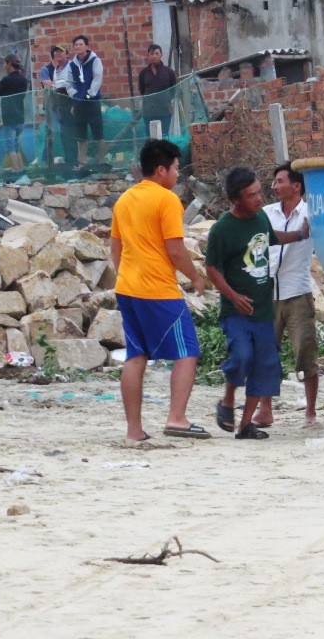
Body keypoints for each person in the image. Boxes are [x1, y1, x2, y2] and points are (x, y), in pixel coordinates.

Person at [110, 139, 210, 441]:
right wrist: (196, 277)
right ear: (161, 169)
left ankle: (134, 430)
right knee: (187, 351)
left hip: (127, 287)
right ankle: (176, 418)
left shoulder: (124, 200)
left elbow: (115, 248)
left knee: (136, 355)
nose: (178, 175)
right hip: (158, 289)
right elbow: (175, 249)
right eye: (176, 169)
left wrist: (127, 274)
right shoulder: (166, 200)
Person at [206, 167, 309, 440]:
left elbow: (273, 238)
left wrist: (300, 234)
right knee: (241, 357)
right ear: (235, 199)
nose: (259, 199)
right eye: (251, 195)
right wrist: (233, 296)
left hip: (264, 311)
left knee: (265, 366)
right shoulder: (222, 229)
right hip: (237, 312)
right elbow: (212, 269)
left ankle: (245, 425)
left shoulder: (261, 217)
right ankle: (227, 400)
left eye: (258, 192)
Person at [253, 162, 321, 428]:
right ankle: (265, 409)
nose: (274, 187)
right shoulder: (267, 213)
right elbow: (266, 239)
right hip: (267, 293)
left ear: (296, 186)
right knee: (266, 353)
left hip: (298, 292)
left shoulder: (311, 212)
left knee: (305, 351)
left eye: (280, 181)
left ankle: (311, 413)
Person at [67, 34, 104, 168]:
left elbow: (97, 79)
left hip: (92, 102)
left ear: (86, 46)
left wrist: (89, 95)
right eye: (76, 45)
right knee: (81, 135)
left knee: (98, 134)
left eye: (80, 44)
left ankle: (101, 161)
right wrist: (74, 95)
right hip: (79, 103)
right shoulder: (72, 64)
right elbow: (69, 83)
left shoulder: (95, 61)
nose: (78, 47)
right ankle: (82, 162)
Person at [0, 54, 30, 170]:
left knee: (10, 147)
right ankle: (21, 170)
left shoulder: (7, 80)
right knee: (16, 146)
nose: (4, 66)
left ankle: (17, 171)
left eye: (5, 63)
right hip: (20, 117)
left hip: (9, 117)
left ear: (9, 64)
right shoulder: (23, 80)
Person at [38, 44, 74, 163]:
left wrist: (60, 84)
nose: (57, 55)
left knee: (67, 132)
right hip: (51, 106)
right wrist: (59, 84)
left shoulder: (67, 67)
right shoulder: (46, 69)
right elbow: (48, 83)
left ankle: (69, 159)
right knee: (51, 133)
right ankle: (46, 160)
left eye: (60, 52)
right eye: (55, 53)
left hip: (65, 104)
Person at [137, 43, 177, 135]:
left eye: (157, 53)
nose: (154, 56)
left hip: (165, 111)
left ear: (161, 55)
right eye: (151, 54)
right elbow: (142, 91)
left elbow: (173, 90)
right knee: (150, 137)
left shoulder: (169, 72)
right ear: (148, 56)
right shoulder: (143, 73)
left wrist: (165, 99)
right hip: (149, 112)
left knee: (164, 136)